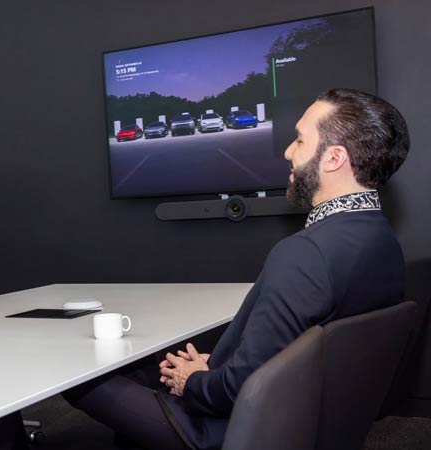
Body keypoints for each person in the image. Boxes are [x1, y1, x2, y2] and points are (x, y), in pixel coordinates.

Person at [64, 88, 411, 450]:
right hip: (307, 416)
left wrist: (194, 380)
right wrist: (216, 363)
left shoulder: (306, 253)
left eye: (299, 140)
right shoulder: (382, 240)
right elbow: (291, 352)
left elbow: (239, 388)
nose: (288, 152)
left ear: (334, 158)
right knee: (139, 371)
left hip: (227, 428)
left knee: (76, 377)